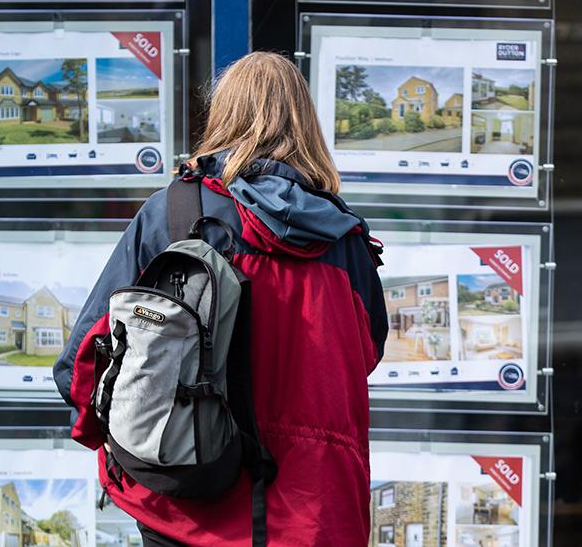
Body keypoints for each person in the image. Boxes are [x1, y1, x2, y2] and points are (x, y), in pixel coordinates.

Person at [53, 51, 388, 546]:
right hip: (315, 512)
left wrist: (124, 447)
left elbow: (84, 359)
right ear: (307, 122)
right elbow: (367, 354)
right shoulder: (345, 239)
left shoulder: (175, 213)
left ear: (223, 114)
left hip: (187, 501)